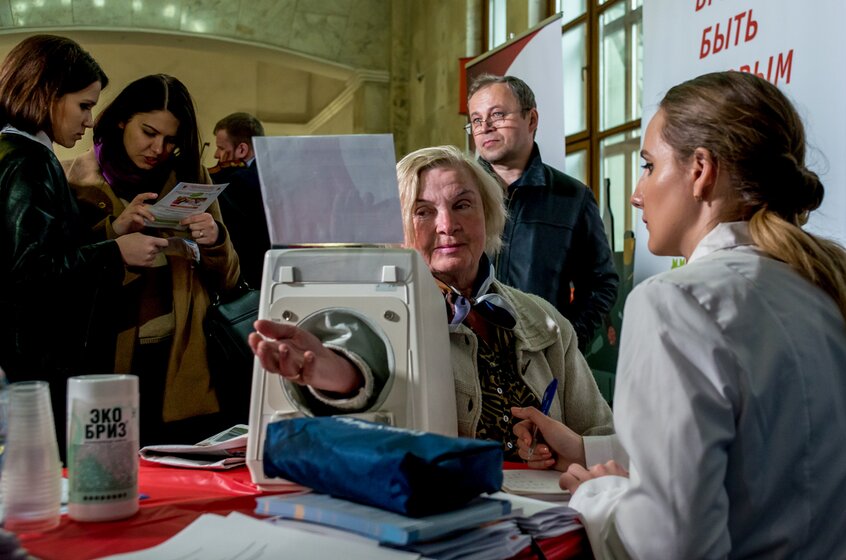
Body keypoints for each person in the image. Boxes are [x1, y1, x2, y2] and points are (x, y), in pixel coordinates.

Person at [512, 71, 846, 558]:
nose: (637, 193)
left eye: (649, 165)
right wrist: (588, 450)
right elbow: (762, 452)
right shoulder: (836, 290)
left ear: (701, 170)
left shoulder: (674, 303)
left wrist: (598, 493)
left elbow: (669, 545)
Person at [250, 145, 613, 461]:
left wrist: (565, 454)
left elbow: (600, 433)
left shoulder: (542, 317)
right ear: (395, 229)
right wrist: (331, 374)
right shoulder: (384, 319)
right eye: (422, 211)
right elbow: (363, 385)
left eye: (462, 205)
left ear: (487, 215)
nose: (447, 224)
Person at [0, 35, 167, 457]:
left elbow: (40, 245)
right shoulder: (30, 161)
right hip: (32, 366)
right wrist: (116, 253)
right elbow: (29, 271)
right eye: (84, 105)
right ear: (47, 94)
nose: (90, 121)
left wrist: (110, 233)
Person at [63, 74, 241, 446]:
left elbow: (228, 279)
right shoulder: (73, 179)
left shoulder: (191, 177)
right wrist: (114, 233)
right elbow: (58, 270)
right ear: (121, 119)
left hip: (184, 362)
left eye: (170, 139)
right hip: (103, 361)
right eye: (148, 132)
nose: (158, 148)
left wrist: (215, 241)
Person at [466, 74, 618, 351]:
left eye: (497, 115)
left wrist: (566, 343)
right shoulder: (458, 194)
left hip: (542, 362)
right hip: (465, 353)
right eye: (476, 120)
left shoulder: (572, 197)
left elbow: (600, 284)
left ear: (531, 119)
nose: (485, 127)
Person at [209, 112, 269, 288]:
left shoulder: (241, 180)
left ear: (242, 149)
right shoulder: (273, 171)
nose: (216, 155)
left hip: (252, 275)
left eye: (221, 148)